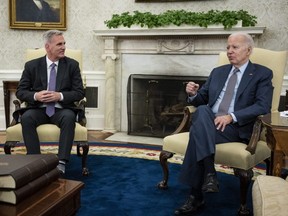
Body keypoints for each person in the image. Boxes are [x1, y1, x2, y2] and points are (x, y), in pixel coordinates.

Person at [174, 32, 273, 215]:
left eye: (235, 47)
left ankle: (195, 196)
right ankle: (210, 173)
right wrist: (193, 94)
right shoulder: (218, 72)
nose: (229, 51)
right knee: (203, 111)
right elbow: (201, 100)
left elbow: (262, 106)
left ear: (248, 50)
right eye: (228, 47)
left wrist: (231, 116)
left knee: (197, 131)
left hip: (236, 128)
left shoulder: (262, 74)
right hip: (210, 122)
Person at [15, 30, 85, 174]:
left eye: (64, 43)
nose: (63, 47)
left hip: (61, 109)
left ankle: (61, 162)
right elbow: (21, 92)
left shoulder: (72, 65)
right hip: (39, 109)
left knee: (69, 117)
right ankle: (35, 161)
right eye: (59, 44)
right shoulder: (32, 65)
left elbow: (79, 92)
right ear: (48, 47)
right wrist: (36, 96)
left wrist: (59, 96)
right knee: (27, 118)